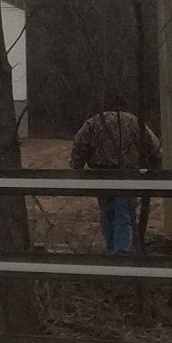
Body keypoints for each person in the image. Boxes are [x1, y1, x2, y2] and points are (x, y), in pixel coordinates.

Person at [69, 93, 162, 255]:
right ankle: (121, 252)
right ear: (126, 106)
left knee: (106, 212)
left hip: (101, 174)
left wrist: (77, 169)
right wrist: (154, 168)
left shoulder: (95, 121)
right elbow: (153, 146)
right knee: (124, 212)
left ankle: (110, 247)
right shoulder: (134, 122)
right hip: (127, 173)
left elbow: (79, 143)